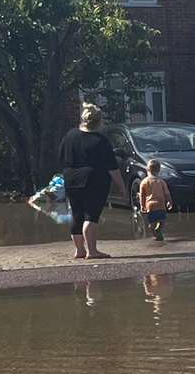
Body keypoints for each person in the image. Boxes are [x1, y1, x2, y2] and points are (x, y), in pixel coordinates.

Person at [56, 103, 126, 260]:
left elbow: (61, 157)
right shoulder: (101, 141)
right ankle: (92, 251)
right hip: (94, 180)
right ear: (99, 121)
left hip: (71, 179)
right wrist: (122, 187)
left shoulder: (70, 135)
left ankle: (79, 250)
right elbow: (112, 167)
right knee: (91, 215)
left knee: (77, 214)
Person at [138, 159, 174, 243]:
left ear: (147, 170)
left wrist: (142, 206)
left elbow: (142, 196)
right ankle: (159, 229)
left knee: (152, 222)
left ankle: (154, 234)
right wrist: (170, 202)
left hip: (150, 205)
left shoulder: (144, 182)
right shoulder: (161, 181)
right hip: (161, 204)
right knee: (162, 220)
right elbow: (167, 194)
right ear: (159, 170)